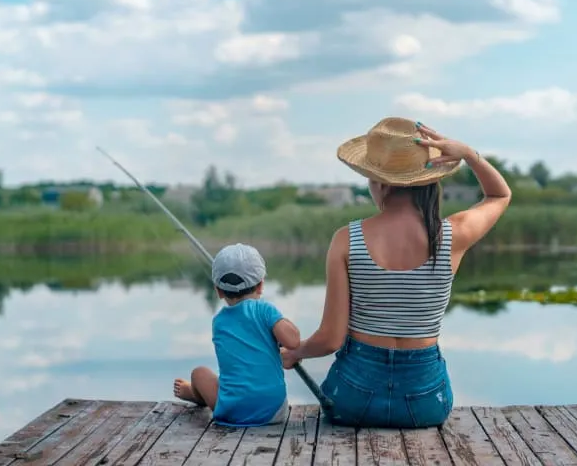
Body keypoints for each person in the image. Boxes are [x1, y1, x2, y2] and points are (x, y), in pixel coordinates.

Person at [280, 117, 512, 428]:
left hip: (352, 400)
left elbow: (330, 339)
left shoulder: (347, 239)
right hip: (427, 403)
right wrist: (469, 154)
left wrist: (296, 352)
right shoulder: (453, 235)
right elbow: (499, 195)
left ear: (380, 182)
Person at [173, 243, 301, 426]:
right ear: (261, 285)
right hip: (274, 412)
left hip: (232, 412)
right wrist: (277, 320)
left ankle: (195, 394)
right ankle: (196, 394)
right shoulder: (265, 310)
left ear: (218, 291)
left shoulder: (218, 322)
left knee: (199, 373)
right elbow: (294, 341)